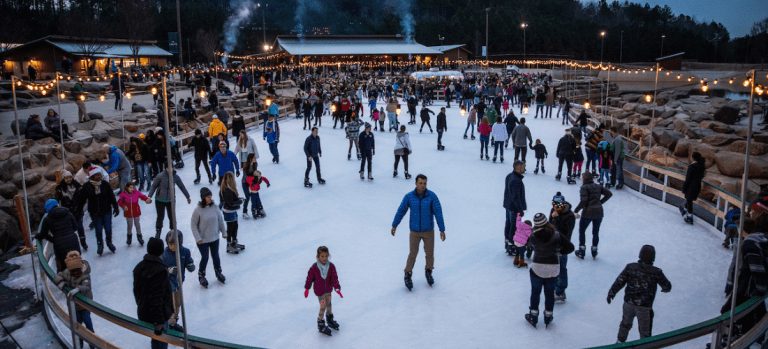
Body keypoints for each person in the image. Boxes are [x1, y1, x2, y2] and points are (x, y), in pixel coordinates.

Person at [391, 174, 446, 290]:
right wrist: (394, 225)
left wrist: (442, 229)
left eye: (424, 183)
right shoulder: (409, 197)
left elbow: (438, 212)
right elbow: (401, 211)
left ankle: (429, 271)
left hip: (428, 231)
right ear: (416, 183)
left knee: (430, 254)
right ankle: (407, 273)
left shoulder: (432, 196)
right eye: (420, 183)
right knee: (413, 254)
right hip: (415, 232)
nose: (422, 185)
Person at [608, 245, 672, 343]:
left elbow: (619, 281)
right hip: (645, 307)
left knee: (625, 324)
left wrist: (611, 293)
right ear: (653, 258)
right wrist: (665, 289)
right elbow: (667, 286)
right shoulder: (656, 272)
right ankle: (645, 345)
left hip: (628, 303)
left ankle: (620, 342)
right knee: (645, 332)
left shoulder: (630, 267)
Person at [525, 213, 575, 328]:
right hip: (553, 269)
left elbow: (528, 245)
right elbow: (570, 248)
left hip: (537, 268)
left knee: (535, 292)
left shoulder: (533, 236)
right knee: (549, 294)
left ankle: (533, 315)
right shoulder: (557, 235)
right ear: (547, 222)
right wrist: (558, 252)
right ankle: (548, 316)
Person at [133, 237, 174, 349]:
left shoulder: (139, 267)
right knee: (161, 341)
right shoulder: (160, 271)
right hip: (158, 317)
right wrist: (158, 321)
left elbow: (136, 291)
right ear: (161, 251)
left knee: (155, 340)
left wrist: (141, 305)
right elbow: (156, 297)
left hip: (144, 311)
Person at [54, 251, 95, 349]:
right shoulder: (67, 272)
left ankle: (92, 343)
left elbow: (86, 286)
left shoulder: (85, 274)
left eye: (78, 270)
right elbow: (58, 276)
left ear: (81, 267)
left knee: (88, 324)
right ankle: (79, 343)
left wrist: (78, 289)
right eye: (73, 271)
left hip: (84, 306)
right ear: (69, 269)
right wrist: (61, 283)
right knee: (77, 326)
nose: (76, 273)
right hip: (74, 306)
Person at [75, 170, 119, 256]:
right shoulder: (87, 186)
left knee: (108, 228)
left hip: (106, 210)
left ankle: (109, 242)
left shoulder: (105, 184)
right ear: (92, 176)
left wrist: (116, 207)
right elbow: (82, 200)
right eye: (97, 175)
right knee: (98, 230)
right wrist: (79, 211)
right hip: (95, 212)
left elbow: (111, 196)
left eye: (100, 175)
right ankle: (100, 245)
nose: (99, 176)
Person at [190, 187, 227, 287]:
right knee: (205, 257)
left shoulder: (215, 207)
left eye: (210, 196)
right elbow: (193, 225)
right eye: (208, 196)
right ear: (203, 198)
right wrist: (198, 238)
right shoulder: (198, 210)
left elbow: (220, 220)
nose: (210, 198)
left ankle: (218, 272)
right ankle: (201, 275)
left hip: (214, 237)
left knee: (216, 256)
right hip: (203, 240)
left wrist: (224, 232)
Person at [304, 246, 343, 336]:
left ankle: (329, 319)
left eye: (326, 256)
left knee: (329, 305)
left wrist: (337, 287)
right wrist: (307, 288)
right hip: (320, 291)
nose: (324, 258)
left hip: (328, 290)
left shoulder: (331, 266)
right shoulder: (314, 268)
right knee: (323, 306)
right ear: (318, 257)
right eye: (322, 256)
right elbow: (309, 278)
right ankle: (321, 323)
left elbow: (334, 278)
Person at [574, 172, 612, 259]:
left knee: (582, 230)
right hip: (599, 212)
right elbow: (609, 194)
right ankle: (594, 250)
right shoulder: (598, 186)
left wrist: (576, 210)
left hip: (588, 212)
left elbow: (584, 201)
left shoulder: (584, 187)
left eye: (582, 177)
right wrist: (600, 203)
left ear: (585, 179)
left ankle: (582, 250)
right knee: (595, 232)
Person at [161, 230, 194, 331]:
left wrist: (190, 266)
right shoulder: (164, 254)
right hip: (168, 284)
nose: (172, 247)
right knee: (171, 304)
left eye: (175, 244)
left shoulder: (185, 252)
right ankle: (170, 322)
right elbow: (160, 269)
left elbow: (189, 263)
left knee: (178, 303)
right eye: (170, 244)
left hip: (179, 283)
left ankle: (173, 321)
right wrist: (168, 270)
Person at [37, 199, 81, 272]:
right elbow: (75, 227)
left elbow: (43, 234)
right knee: (76, 262)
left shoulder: (47, 219)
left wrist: (54, 240)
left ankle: (65, 282)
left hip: (60, 245)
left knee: (63, 267)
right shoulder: (68, 213)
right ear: (57, 205)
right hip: (73, 241)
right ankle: (79, 280)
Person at [147, 168, 192, 239]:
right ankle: (158, 232)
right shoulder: (160, 176)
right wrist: (149, 196)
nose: (170, 169)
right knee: (160, 216)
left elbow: (182, 186)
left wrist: (188, 196)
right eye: (168, 168)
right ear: (166, 168)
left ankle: (173, 231)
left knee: (172, 217)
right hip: (160, 200)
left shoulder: (175, 176)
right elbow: (154, 186)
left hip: (171, 200)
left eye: (171, 167)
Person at [550, 193, 576, 302]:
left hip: (562, 246)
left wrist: (556, 219)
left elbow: (565, 234)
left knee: (561, 269)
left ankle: (560, 291)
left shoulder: (569, 216)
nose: (555, 207)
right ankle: (556, 287)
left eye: (557, 205)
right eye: (553, 205)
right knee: (554, 268)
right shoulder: (553, 211)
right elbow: (550, 226)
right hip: (552, 245)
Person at [55, 171, 87, 250]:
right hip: (67, 212)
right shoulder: (60, 188)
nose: (69, 179)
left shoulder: (77, 186)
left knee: (80, 227)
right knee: (70, 229)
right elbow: (58, 199)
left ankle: (83, 242)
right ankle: (73, 245)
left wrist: (80, 206)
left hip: (78, 210)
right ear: (64, 179)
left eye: (70, 177)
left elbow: (82, 197)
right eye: (66, 178)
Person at [503, 161, 527, 255]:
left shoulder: (510, 176)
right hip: (514, 208)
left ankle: (508, 243)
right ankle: (511, 245)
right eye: (523, 167)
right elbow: (515, 197)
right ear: (518, 167)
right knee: (513, 227)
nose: (524, 169)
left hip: (508, 205)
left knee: (509, 224)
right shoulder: (516, 180)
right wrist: (520, 210)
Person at [117, 182, 151, 246]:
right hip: (128, 212)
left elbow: (142, 196)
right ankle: (129, 238)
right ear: (127, 187)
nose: (132, 189)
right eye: (130, 187)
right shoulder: (123, 194)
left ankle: (140, 238)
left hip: (136, 211)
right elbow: (119, 202)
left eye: (133, 187)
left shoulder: (136, 192)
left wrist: (147, 199)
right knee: (130, 226)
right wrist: (124, 206)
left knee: (137, 225)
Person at [219, 172, 243, 254]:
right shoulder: (226, 189)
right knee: (230, 228)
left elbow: (232, 200)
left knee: (235, 226)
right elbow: (231, 203)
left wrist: (239, 199)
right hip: (229, 211)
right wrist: (240, 201)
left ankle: (234, 242)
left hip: (232, 211)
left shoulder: (229, 188)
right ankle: (229, 245)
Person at [680, 152, 706, 225]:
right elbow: (702, 176)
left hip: (691, 186)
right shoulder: (702, 166)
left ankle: (690, 217)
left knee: (689, 201)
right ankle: (685, 211)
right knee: (689, 200)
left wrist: (684, 188)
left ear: (693, 158)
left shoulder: (692, 167)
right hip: (697, 186)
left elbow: (688, 178)